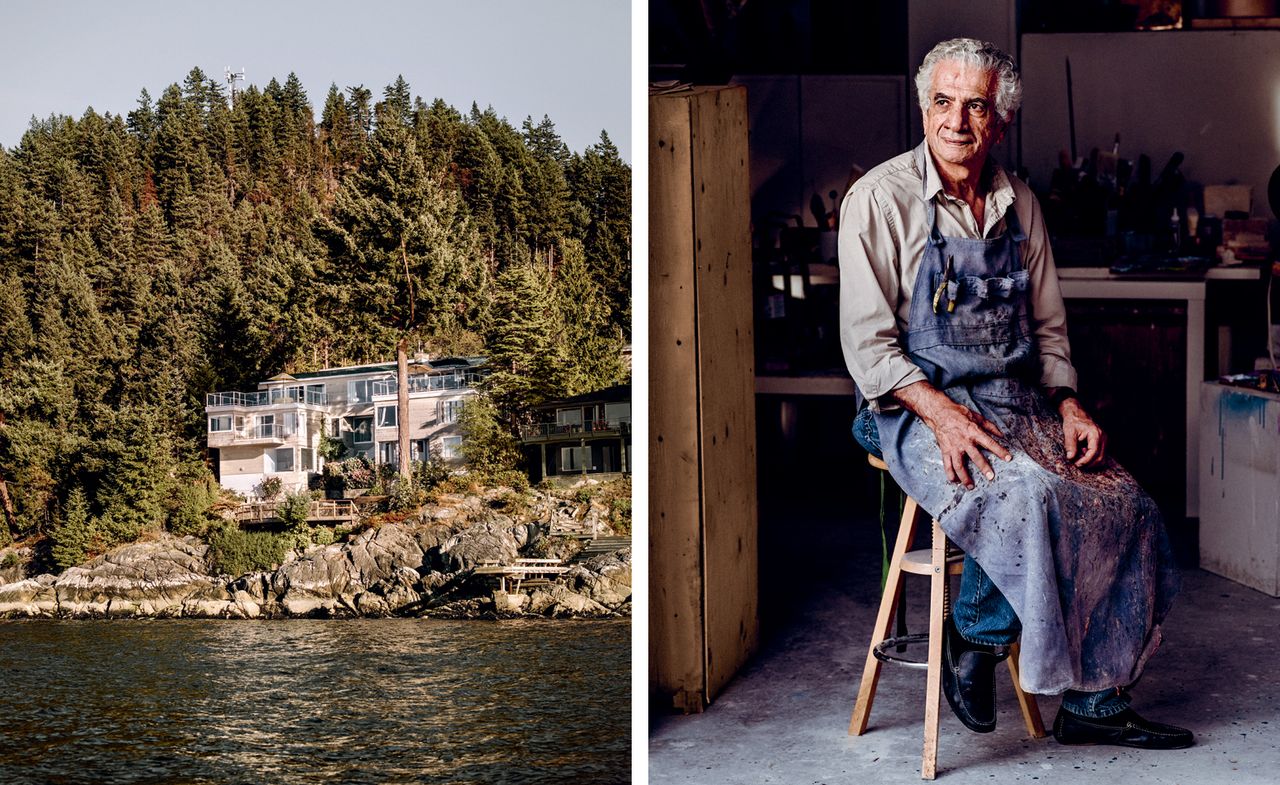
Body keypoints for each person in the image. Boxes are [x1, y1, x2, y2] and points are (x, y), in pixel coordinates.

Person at [838, 38, 1191, 750]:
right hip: (907, 406)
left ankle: (1095, 699)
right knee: (1026, 491)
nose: (956, 121)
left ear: (1000, 120)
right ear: (923, 106)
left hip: (1012, 400)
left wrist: (1067, 402)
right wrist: (940, 415)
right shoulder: (878, 200)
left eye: (975, 105)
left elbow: (1051, 330)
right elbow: (868, 348)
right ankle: (973, 633)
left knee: (1122, 499)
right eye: (942, 102)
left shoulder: (1018, 201)